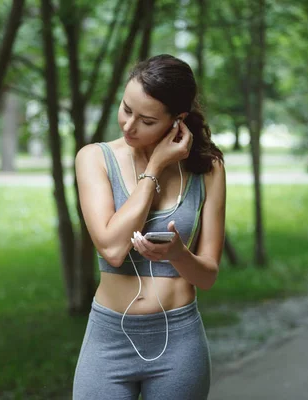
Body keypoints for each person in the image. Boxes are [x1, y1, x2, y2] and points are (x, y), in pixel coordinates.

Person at [72, 54, 226, 400]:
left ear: (177, 121)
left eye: (146, 120)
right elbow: (112, 249)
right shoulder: (94, 158)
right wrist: (155, 168)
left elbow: (208, 276)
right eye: (126, 109)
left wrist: (177, 254)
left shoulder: (209, 169)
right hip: (108, 339)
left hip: (179, 341)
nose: (128, 127)